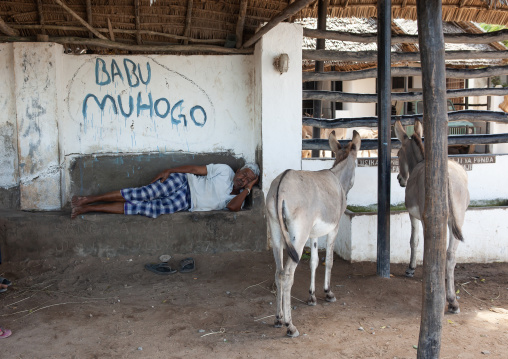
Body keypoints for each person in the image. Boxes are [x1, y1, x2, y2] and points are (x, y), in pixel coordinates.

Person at [71, 162, 259, 219]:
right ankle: (86, 199)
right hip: (183, 183)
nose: (244, 179)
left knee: (143, 208)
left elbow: (233, 208)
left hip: (185, 203)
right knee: (142, 194)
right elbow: (195, 170)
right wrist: (169, 170)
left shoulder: (239, 198)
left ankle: (86, 209)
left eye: (248, 180)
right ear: (238, 170)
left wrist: (248, 190)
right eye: (244, 174)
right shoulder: (225, 171)